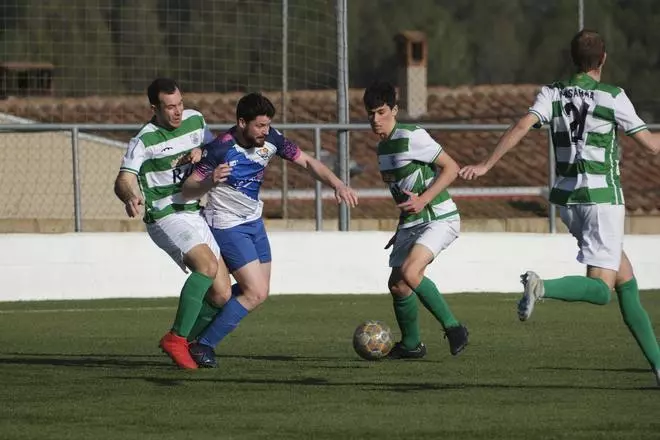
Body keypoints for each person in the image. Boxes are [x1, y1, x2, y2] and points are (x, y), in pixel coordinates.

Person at [459, 29, 660, 386]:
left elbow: (523, 124)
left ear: (573, 59)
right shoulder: (613, 96)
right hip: (602, 201)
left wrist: (487, 164)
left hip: (569, 202)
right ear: (603, 58)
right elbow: (651, 146)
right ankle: (543, 287)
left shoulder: (552, 93)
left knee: (625, 280)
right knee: (601, 290)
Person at [181, 92, 359, 367]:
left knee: (254, 291)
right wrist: (211, 181)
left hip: (253, 221)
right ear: (242, 122)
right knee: (256, 292)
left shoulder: (272, 139)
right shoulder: (220, 148)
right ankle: (202, 344)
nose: (266, 131)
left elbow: (308, 162)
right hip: (226, 223)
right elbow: (189, 188)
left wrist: (338, 184)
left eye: (267, 125)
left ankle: (198, 326)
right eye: (260, 126)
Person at [114, 78, 233, 370]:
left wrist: (203, 153)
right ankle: (177, 338)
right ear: (155, 108)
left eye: (179, 104)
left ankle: (186, 341)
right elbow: (123, 180)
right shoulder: (144, 140)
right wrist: (130, 196)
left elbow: (215, 148)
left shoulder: (195, 120)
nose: (178, 112)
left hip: (193, 211)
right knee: (206, 266)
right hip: (164, 215)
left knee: (222, 293)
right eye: (170, 107)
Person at [362, 81, 469, 359]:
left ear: (395, 110)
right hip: (411, 223)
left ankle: (455, 328)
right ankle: (411, 346)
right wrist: (400, 229)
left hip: (439, 216)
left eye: (381, 112)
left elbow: (451, 168)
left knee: (411, 273)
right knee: (397, 285)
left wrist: (423, 200)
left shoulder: (413, 136)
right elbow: (403, 192)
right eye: (370, 113)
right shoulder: (382, 149)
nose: (375, 119)